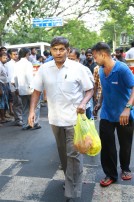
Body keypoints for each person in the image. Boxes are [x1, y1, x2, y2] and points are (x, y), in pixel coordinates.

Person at [28, 36, 94, 202]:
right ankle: (70, 179)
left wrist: (84, 103)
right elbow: (36, 91)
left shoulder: (77, 68)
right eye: (55, 49)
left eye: (61, 49)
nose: (58, 53)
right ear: (51, 50)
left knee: (74, 155)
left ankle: (71, 192)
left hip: (74, 118)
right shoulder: (44, 68)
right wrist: (31, 112)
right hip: (55, 119)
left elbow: (90, 90)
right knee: (63, 154)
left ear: (68, 50)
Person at [92, 42, 134, 187]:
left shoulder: (122, 69)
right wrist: (99, 103)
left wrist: (128, 108)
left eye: (95, 56)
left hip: (124, 115)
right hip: (107, 114)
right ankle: (110, 174)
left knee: (125, 144)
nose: (94, 59)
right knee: (107, 145)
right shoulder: (100, 70)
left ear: (103, 54)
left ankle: (125, 168)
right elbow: (105, 88)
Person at [12, 48, 41, 130]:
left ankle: (25, 124)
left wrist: (17, 88)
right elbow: (29, 76)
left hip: (21, 89)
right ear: (27, 54)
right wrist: (33, 87)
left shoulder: (16, 64)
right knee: (35, 106)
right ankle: (35, 123)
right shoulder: (28, 63)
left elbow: (15, 78)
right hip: (30, 88)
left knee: (24, 107)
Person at [68, 47, 94, 119]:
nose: (70, 61)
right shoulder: (65, 70)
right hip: (69, 108)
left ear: (78, 59)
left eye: (72, 59)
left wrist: (84, 103)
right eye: (68, 59)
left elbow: (91, 88)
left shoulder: (85, 70)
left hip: (83, 107)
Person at [5, 49, 23, 126]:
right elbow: (7, 77)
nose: (16, 55)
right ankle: (18, 119)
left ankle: (22, 118)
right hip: (13, 87)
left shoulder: (20, 63)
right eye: (14, 54)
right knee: (17, 103)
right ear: (10, 55)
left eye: (17, 54)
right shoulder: (7, 65)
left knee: (22, 103)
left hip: (22, 86)